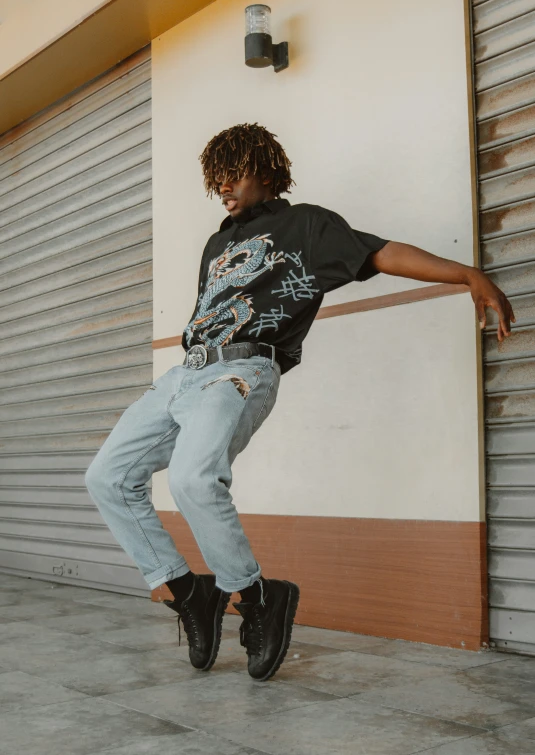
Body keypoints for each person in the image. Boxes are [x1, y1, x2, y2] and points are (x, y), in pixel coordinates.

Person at [85, 122, 515, 682]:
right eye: (215, 179)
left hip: (241, 369)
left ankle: (254, 597)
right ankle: (190, 593)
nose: (223, 188)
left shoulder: (306, 225)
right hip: (184, 375)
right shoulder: (219, 241)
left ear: (264, 171)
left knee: (193, 479)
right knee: (107, 477)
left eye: (232, 174)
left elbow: (381, 254)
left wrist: (465, 274)